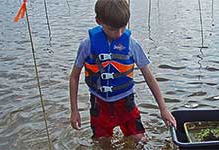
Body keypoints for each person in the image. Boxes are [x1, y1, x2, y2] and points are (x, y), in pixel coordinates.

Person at [69, 0, 176, 142]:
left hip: (126, 101)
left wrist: (163, 108)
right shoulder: (87, 45)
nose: (119, 33)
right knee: (102, 142)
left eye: (123, 27)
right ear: (98, 21)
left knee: (138, 139)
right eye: (112, 29)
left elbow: (149, 77)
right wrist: (74, 110)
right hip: (99, 102)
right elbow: (74, 77)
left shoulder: (132, 44)